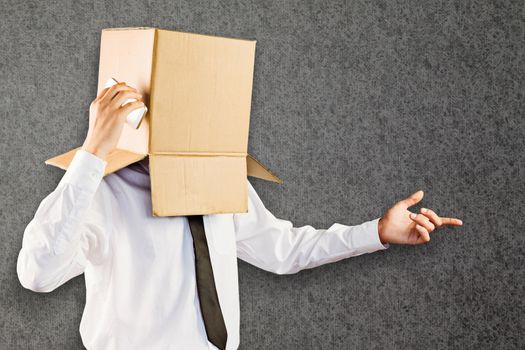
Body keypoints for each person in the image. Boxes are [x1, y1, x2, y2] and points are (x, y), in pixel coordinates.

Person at [17, 82, 463, 350]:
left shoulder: (218, 176)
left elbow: (282, 251)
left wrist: (378, 232)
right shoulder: (99, 190)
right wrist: (94, 152)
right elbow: (37, 274)